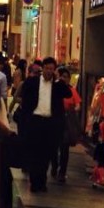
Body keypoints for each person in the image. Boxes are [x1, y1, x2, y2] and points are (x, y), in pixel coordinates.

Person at [19, 56, 72, 192]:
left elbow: (68, 94)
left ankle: (42, 182)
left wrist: (59, 80)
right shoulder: (33, 82)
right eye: (47, 68)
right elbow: (25, 99)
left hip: (50, 124)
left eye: (52, 69)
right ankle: (34, 181)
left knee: (47, 154)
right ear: (42, 68)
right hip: (35, 121)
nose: (49, 71)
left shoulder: (57, 85)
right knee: (34, 153)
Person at [50, 67, 81, 183]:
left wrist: (72, 110)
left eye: (66, 77)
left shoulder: (71, 90)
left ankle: (62, 171)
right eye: (62, 76)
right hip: (54, 120)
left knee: (64, 147)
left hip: (66, 122)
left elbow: (78, 104)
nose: (64, 79)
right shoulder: (54, 87)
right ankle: (54, 165)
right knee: (54, 146)